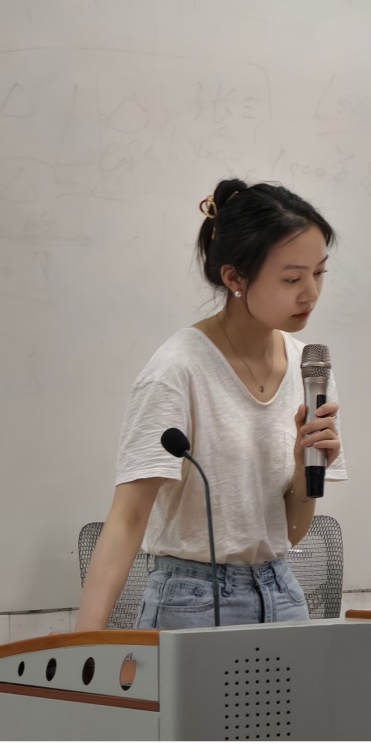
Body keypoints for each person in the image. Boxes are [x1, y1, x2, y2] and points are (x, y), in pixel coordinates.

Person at [76, 179, 346, 631]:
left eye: (319, 273)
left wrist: (305, 470)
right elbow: (128, 518)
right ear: (234, 278)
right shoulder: (177, 370)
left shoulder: (310, 370)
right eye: (291, 279)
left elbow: (291, 533)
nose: (311, 294)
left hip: (282, 592)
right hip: (191, 601)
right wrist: (83, 648)